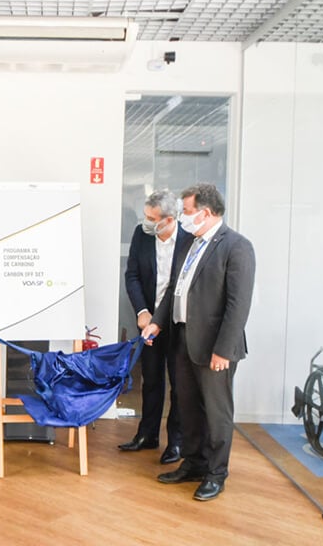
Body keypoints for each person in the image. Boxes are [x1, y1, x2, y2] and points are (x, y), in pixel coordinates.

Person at [142, 183, 255, 502]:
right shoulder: (189, 244)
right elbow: (173, 290)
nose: (183, 217)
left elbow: (238, 304)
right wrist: (156, 322)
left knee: (216, 413)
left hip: (214, 347)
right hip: (183, 340)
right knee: (187, 408)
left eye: (187, 212)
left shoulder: (236, 247)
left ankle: (216, 473)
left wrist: (224, 349)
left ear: (205, 213)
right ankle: (193, 463)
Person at [119, 190, 192, 465]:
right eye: (145, 216)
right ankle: (147, 435)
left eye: (152, 218)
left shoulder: (189, 239)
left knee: (179, 383)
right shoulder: (142, 234)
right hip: (148, 322)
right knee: (151, 379)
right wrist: (142, 311)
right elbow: (133, 275)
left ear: (169, 219)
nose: (146, 222)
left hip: (178, 322)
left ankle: (176, 442)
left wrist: (161, 318)